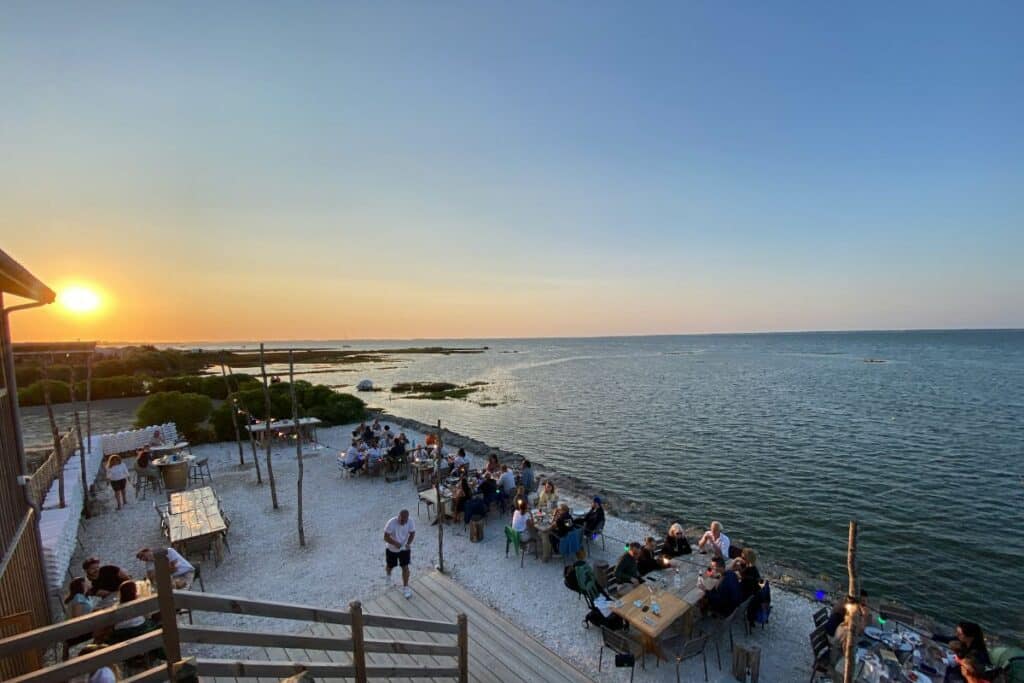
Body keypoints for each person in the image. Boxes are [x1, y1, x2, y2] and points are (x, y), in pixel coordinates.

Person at [384, 509, 416, 599]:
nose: (403, 522)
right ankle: (388, 576)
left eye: (405, 521)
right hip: (391, 549)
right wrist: (395, 543)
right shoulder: (391, 522)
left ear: (407, 519)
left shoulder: (410, 522)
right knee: (390, 566)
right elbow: (385, 537)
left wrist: (408, 543)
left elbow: (412, 533)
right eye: (401, 520)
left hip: (404, 549)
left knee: (405, 567)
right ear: (398, 516)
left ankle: (405, 588)